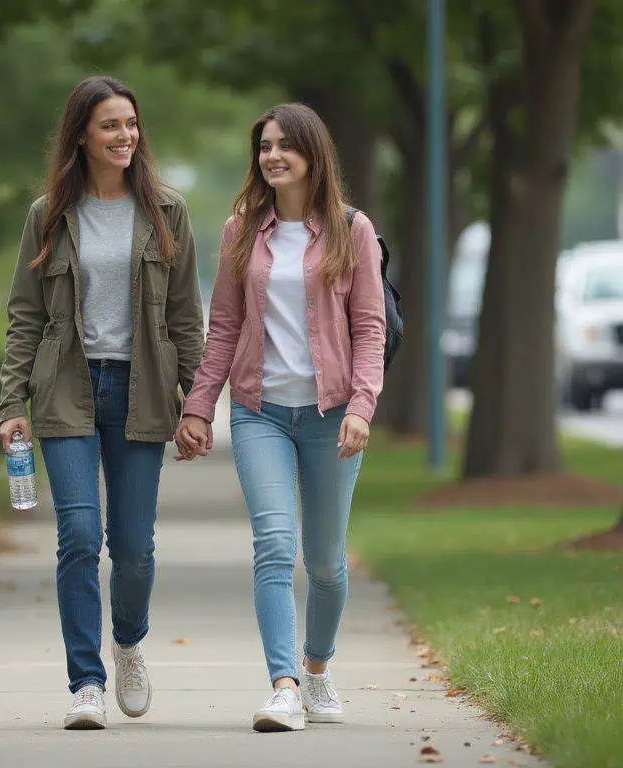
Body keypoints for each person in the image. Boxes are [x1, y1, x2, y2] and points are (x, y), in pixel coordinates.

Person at [0, 75, 205, 730]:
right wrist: (12, 401)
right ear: (82, 133)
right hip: (67, 390)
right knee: (80, 537)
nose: (125, 136)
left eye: (132, 125)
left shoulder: (167, 213)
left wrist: (196, 404)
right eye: (111, 125)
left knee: (135, 547)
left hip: (141, 392)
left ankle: (129, 642)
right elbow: (25, 317)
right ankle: (86, 682)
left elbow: (184, 318)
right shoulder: (48, 215)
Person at [175, 102, 386, 733]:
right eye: (264, 146)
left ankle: (316, 669)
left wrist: (362, 408)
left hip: (330, 414)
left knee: (324, 561)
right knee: (273, 545)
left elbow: (369, 328)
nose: (272, 156)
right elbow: (225, 327)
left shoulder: (353, 231)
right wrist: (198, 408)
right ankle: (284, 686)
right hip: (259, 410)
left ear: (312, 154)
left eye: (284, 146)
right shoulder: (243, 231)